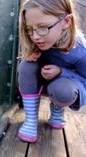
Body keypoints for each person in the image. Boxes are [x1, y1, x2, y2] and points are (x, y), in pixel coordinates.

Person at [18, 0, 86, 143]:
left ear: (66, 21)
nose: (35, 36)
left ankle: (57, 108)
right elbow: (30, 66)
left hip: (66, 85)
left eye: (43, 27)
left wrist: (61, 72)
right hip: (43, 80)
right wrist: (33, 57)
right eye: (30, 29)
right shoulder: (38, 38)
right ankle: (31, 120)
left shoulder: (80, 52)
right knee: (26, 65)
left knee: (63, 90)